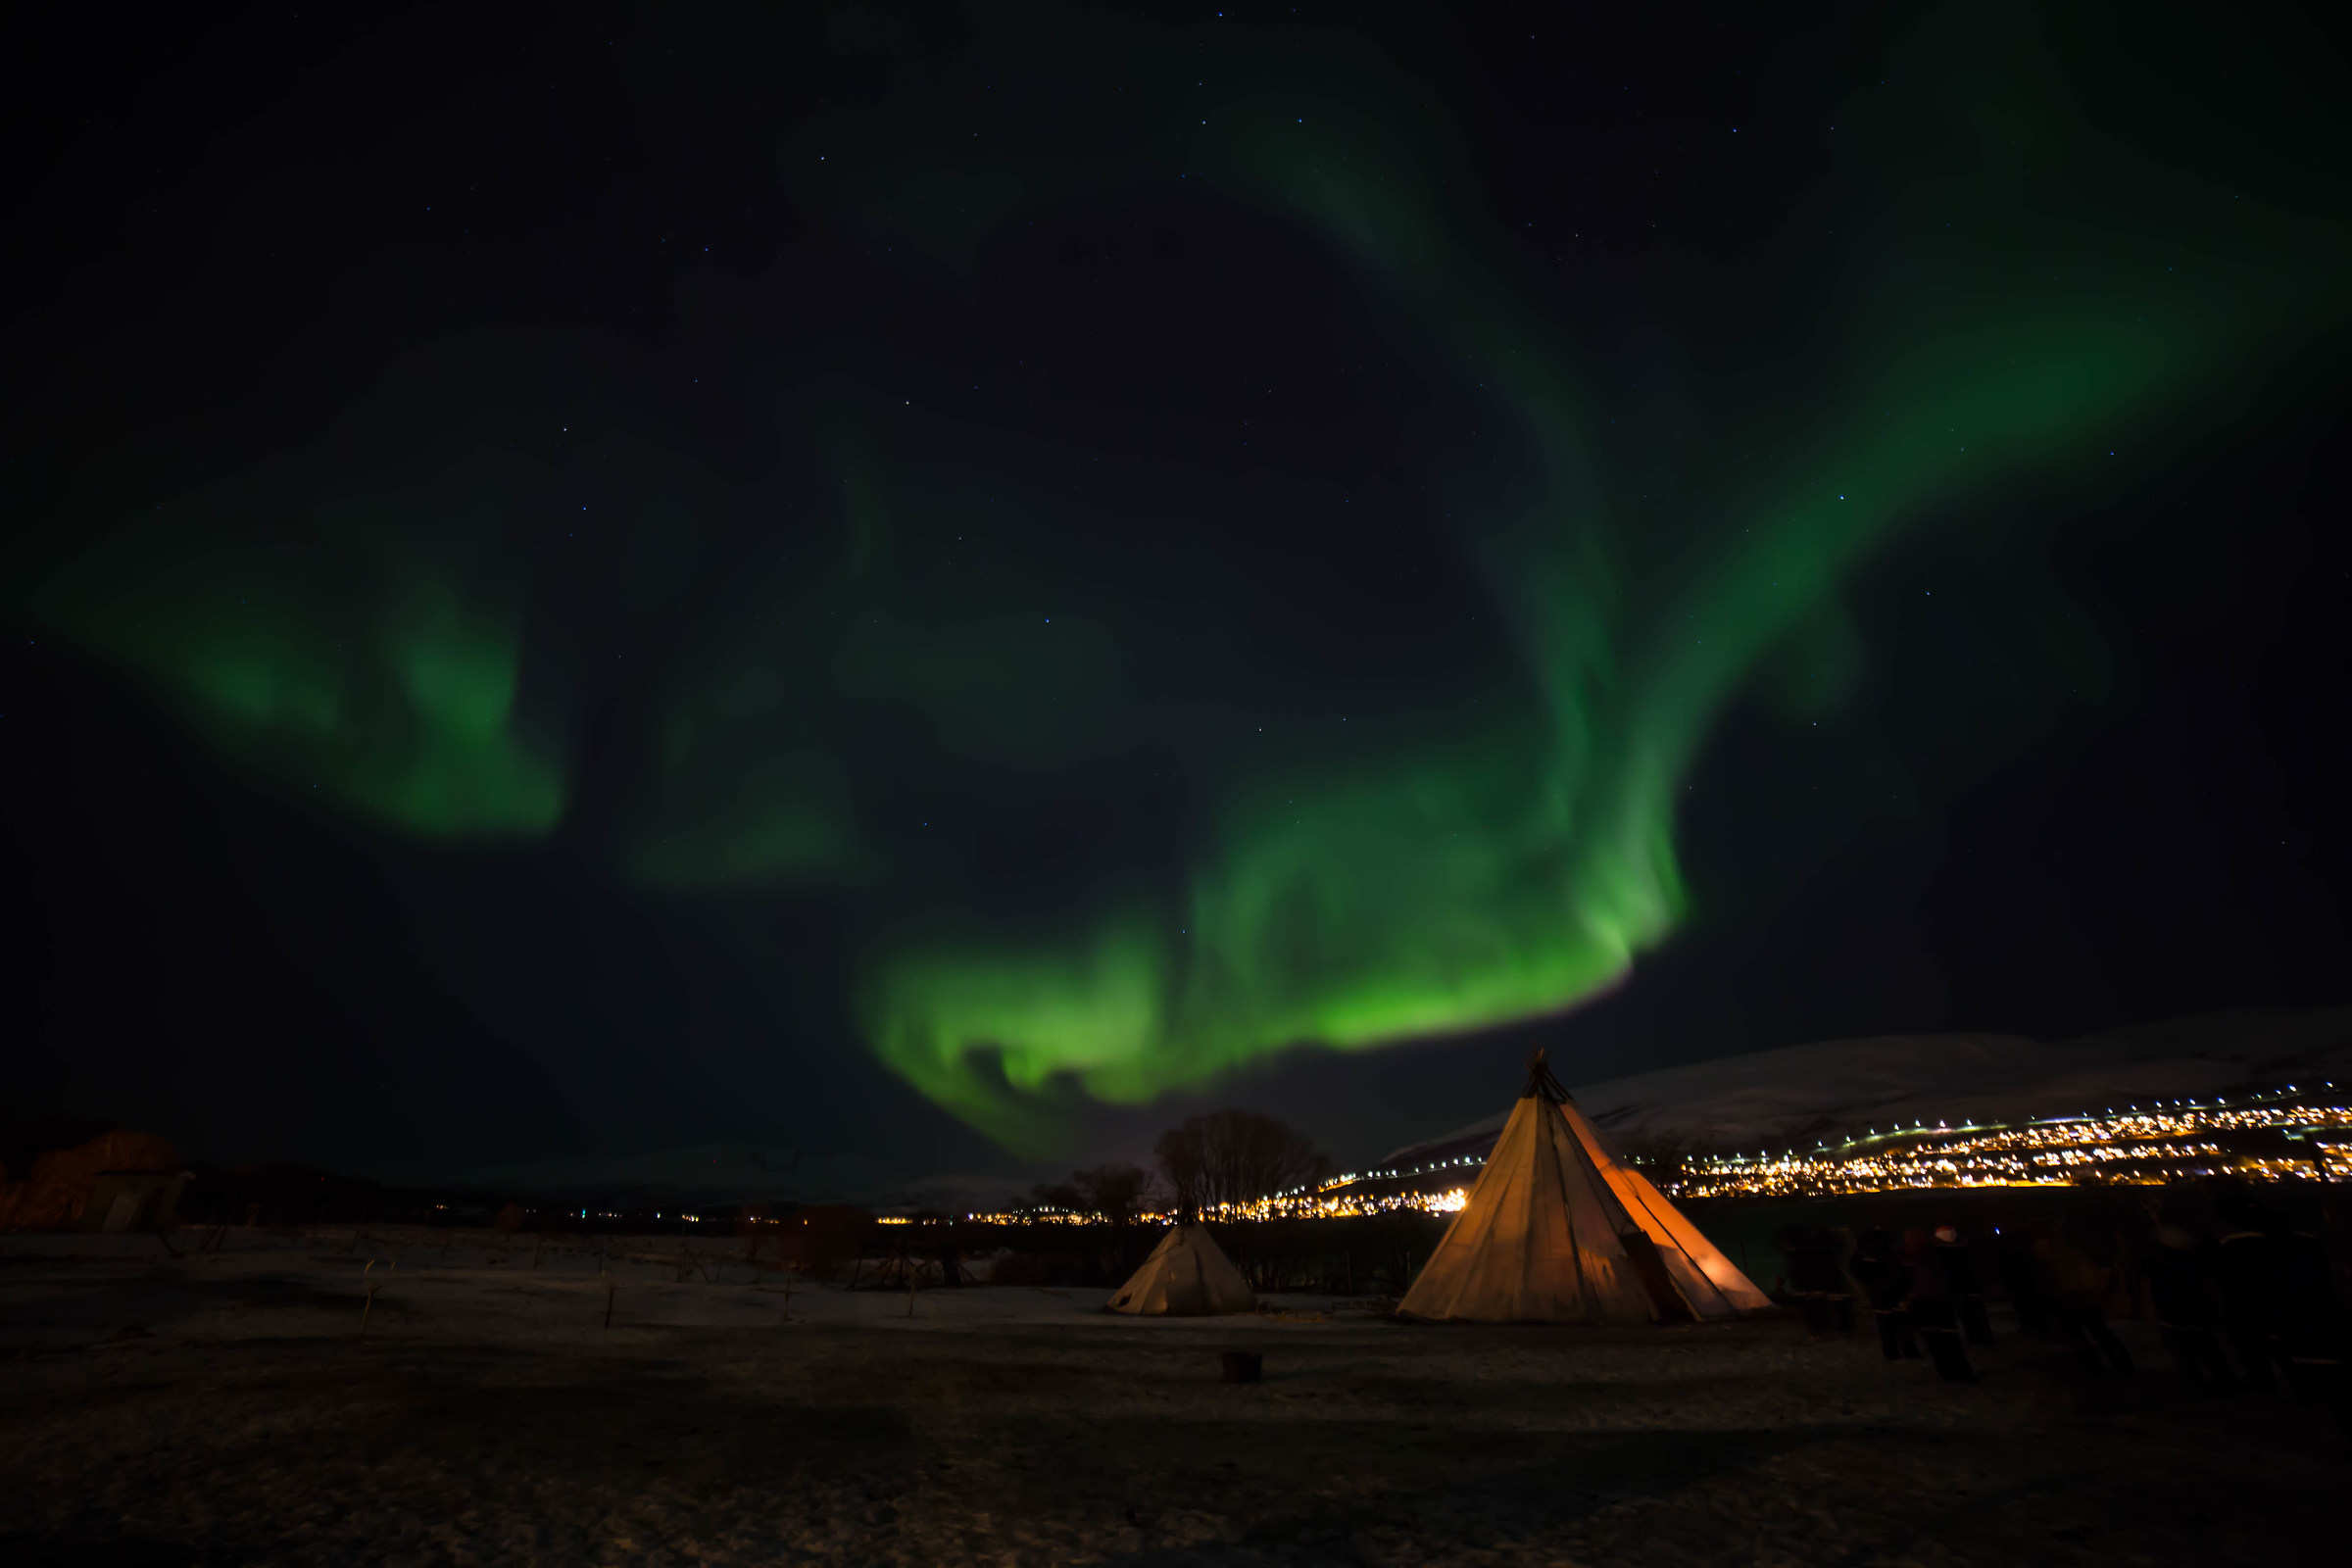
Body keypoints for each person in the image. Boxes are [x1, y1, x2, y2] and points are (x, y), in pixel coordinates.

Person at [2034, 1220, 2134, 1376]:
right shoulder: (2068, 1253)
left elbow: (2051, 1278)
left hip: (2068, 1299)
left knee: (2082, 1335)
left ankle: (2097, 1365)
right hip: (2079, 1297)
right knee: (2097, 1332)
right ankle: (2118, 1362)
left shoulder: (2049, 1255)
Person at [2141, 1221, 2232, 1389]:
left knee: (2187, 1352)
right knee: (2206, 1348)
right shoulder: (2191, 1262)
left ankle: (2199, 1381)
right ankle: (2222, 1379)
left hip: (2176, 1315)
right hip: (2193, 1313)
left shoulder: (2163, 1264)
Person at [1904, 1228, 1974, 1382]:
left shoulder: (1908, 1257)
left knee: (1935, 1339)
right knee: (1945, 1338)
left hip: (1925, 1301)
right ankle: (1958, 1372)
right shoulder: (1937, 1253)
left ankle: (1950, 1371)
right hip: (1938, 1300)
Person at [1849, 1226, 1918, 1361]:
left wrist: (1870, 1283)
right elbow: (1906, 1270)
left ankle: (1892, 1352)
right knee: (1902, 1323)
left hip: (1879, 1293)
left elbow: (1856, 1270)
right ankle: (1909, 1351)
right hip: (1896, 1291)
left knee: (1885, 1324)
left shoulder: (1863, 1254)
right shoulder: (1892, 1253)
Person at [1932, 1223, 1994, 1347]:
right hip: (1968, 1285)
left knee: (1966, 1313)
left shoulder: (1936, 1250)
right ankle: (1982, 1337)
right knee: (1975, 1312)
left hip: (1955, 1286)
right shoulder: (1967, 1247)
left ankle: (1977, 1337)